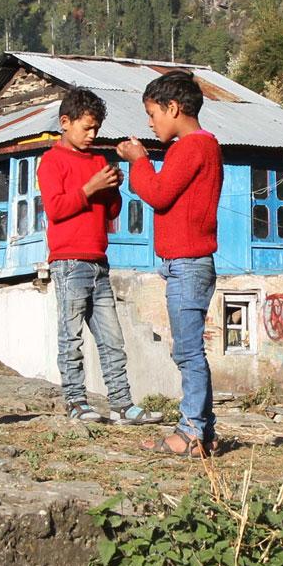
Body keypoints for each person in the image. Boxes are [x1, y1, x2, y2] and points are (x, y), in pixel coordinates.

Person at [117, 70, 223, 455]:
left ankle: (191, 432)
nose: (150, 122)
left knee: (188, 352)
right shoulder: (201, 146)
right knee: (190, 349)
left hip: (188, 262)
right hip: (188, 262)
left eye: (153, 113)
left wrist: (139, 160)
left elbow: (158, 193)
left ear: (173, 108)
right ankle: (201, 434)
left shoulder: (192, 147)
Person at [39, 87, 150, 425]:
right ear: (65, 123)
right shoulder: (52, 161)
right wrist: (90, 187)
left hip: (99, 260)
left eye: (96, 129)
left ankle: (122, 403)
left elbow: (110, 211)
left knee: (112, 339)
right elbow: (56, 209)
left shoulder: (99, 161)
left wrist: (113, 188)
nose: (92, 135)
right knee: (70, 337)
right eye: (86, 128)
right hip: (68, 261)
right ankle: (75, 401)